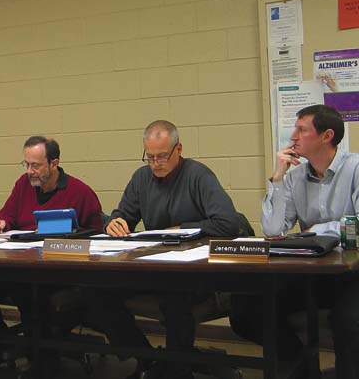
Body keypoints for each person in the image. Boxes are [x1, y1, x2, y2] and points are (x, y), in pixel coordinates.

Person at [86, 120, 240, 379]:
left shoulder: (198, 175)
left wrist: (182, 228)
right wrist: (114, 222)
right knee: (96, 293)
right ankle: (148, 360)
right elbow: (124, 215)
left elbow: (228, 223)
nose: (156, 163)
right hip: (155, 267)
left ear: (178, 149)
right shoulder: (141, 177)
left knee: (175, 301)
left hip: (194, 272)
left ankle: (178, 370)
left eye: (162, 156)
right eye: (150, 157)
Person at [230, 104, 359, 379]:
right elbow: (273, 230)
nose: (293, 136)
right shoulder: (294, 177)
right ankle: (303, 368)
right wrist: (278, 177)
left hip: (352, 274)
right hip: (312, 273)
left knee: (349, 321)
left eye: (302, 129)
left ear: (327, 136)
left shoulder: (356, 168)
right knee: (246, 310)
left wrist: (316, 230)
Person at [0, 136, 103, 374]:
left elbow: (97, 237)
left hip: (59, 271)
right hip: (22, 264)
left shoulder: (80, 192)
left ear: (54, 163)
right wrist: (0, 223)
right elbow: (7, 215)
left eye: (36, 165)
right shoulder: (23, 185)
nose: (30, 171)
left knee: (28, 287)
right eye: (27, 164)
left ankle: (44, 357)